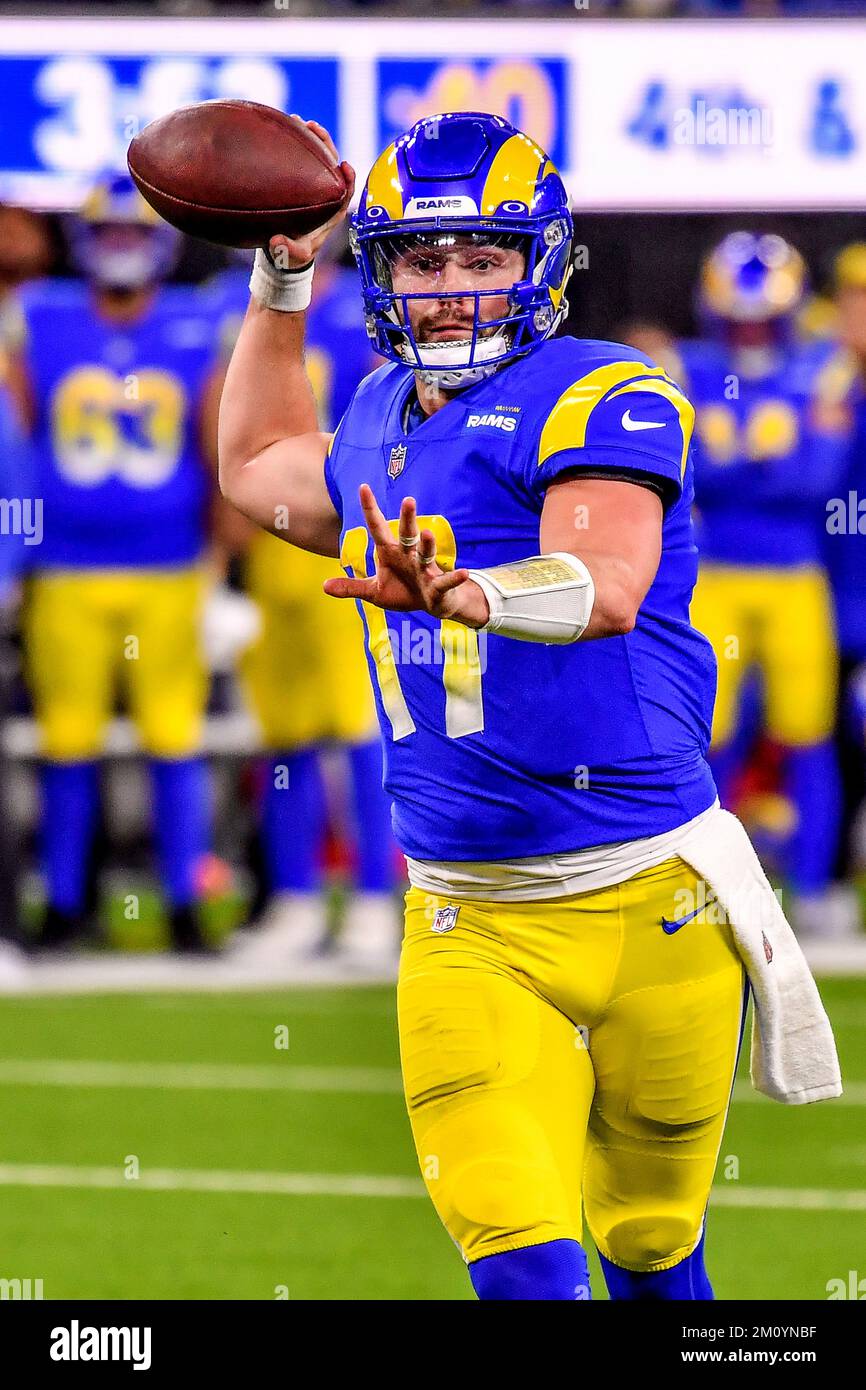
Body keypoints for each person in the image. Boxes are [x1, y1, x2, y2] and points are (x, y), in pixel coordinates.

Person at [217, 112, 839, 1301]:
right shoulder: (375, 413)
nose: (450, 291)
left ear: (538, 261)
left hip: (656, 899)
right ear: (383, 270)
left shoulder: (603, 389)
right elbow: (254, 466)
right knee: (524, 1276)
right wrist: (280, 278)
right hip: (471, 922)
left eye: (482, 258)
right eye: (421, 260)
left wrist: (467, 593)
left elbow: (602, 584)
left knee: (654, 1254)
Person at [13, 173, 220, 952]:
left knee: (176, 743)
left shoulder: (198, 325)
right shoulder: (38, 319)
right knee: (68, 745)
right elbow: (18, 442)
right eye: (110, 234)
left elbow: (217, 451)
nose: (122, 248)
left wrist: (217, 569)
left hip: (169, 568)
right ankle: (65, 904)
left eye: (136, 233)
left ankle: (183, 906)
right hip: (64, 567)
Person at [203, 239, 399, 970]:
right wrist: (221, 565)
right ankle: (295, 897)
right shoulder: (232, 304)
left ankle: (376, 898)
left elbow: (393, 419)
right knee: (283, 736)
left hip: (341, 533)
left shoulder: (365, 300)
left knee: (359, 732)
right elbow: (212, 426)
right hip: (267, 543)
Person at [683, 232, 853, 939]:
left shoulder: (826, 368)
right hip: (715, 574)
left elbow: (816, 480)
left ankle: (814, 888)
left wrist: (739, 467)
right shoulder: (684, 367)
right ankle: (704, 885)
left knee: (808, 733)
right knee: (704, 738)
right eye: (740, 317)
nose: (751, 329)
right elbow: (686, 471)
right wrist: (761, 465)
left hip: (793, 576)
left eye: (763, 317)